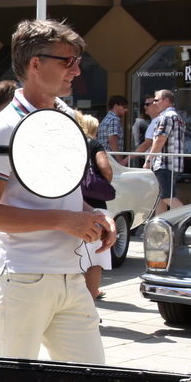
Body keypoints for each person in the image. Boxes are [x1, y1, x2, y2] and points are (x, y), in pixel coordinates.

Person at [0, 20, 112, 364]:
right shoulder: (6, 126)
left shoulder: (65, 115)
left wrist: (95, 216)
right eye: (67, 61)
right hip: (22, 279)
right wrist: (64, 221)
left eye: (77, 61)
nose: (77, 70)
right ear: (35, 64)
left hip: (70, 277)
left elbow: (60, 195)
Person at [77, 111, 115, 301]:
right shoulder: (94, 144)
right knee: (94, 260)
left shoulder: (67, 144)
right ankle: (90, 305)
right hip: (96, 204)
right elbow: (106, 168)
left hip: (69, 204)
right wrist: (100, 183)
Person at [137, 88, 184, 211]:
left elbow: (159, 141)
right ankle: (160, 224)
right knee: (161, 198)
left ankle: (190, 217)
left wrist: (148, 160)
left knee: (167, 197)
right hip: (172, 164)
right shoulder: (177, 117)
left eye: (157, 100)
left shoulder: (166, 117)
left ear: (167, 100)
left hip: (165, 164)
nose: (154, 103)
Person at [100, 95, 129, 159]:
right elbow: (112, 140)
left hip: (105, 157)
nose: (126, 110)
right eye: (124, 107)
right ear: (116, 106)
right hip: (111, 159)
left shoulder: (106, 119)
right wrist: (119, 160)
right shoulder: (113, 119)